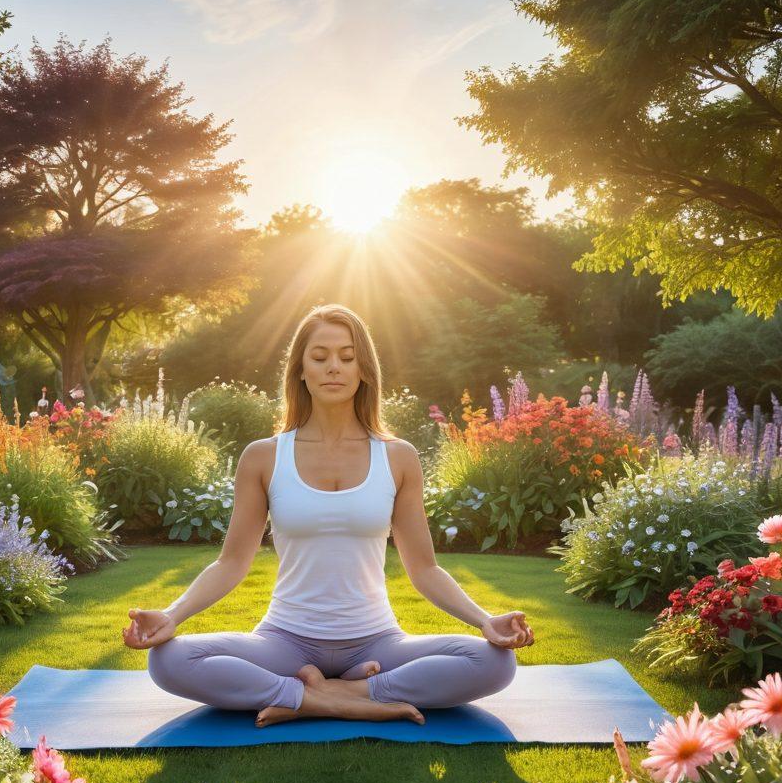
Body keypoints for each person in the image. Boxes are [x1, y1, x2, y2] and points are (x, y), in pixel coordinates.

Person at [123, 303, 534, 728]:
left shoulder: (398, 457)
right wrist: (172, 615)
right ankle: (325, 698)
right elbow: (231, 563)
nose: (333, 367)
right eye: (319, 357)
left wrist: (486, 620)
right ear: (300, 369)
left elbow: (425, 569)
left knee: (495, 663)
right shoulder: (264, 457)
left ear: (364, 370)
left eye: (346, 356)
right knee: (169, 660)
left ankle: (346, 691)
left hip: (376, 642)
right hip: (285, 641)